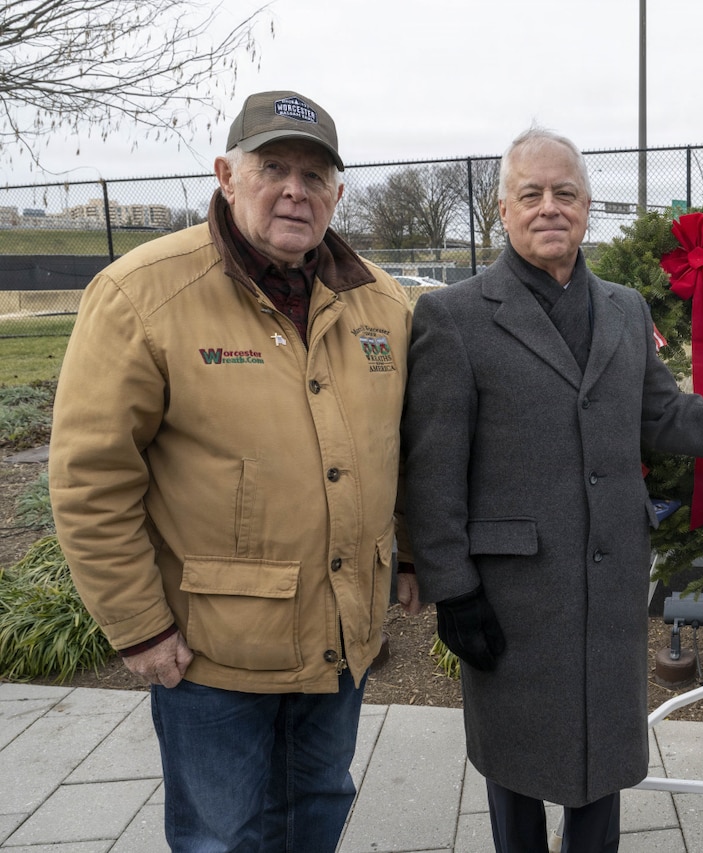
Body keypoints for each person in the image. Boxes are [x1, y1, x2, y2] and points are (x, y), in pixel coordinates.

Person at [398, 126, 703, 853]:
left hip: (610, 579)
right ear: (503, 209)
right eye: (532, 193)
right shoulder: (453, 318)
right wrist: (451, 588)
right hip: (511, 591)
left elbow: (663, 414)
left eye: (566, 192)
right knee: (515, 769)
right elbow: (433, 466)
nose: (551, 207)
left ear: (586, 207)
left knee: (603, 767)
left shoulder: (623, 308)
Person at [49, 90, 412, 852]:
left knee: (319, 808)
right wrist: (141, 627)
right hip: (214, 655)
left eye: (315, 175)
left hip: (340, 640)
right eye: (272, 165)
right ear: (225, 173)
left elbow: (404, 447)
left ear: (337, 194)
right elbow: (91, 479)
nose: (294, 189)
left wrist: (409, 553)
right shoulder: (143, 294)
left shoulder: (381, 305)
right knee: (224, 834)